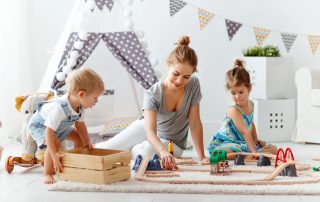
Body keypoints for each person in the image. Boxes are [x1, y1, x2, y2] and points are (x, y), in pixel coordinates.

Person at [95, 36, 208, 169]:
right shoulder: (153, 93)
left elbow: (195, 123)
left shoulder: (193, 85)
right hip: (147, 128)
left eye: (186, 77)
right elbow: (150, 130)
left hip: (172, 141)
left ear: (193, 73)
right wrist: (162, 151)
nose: (179, 81)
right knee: (105, 149)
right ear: (168, 65)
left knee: (146, 152)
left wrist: (202, 156)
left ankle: (132, 149)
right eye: (175, 74)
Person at [29, 67, 105, 184]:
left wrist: (87, 141)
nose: (97, 101)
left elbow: (80, 125)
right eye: (95, 97)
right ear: (82, 94)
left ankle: (73, 164)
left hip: (59, 127)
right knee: (54, 143)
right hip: (41, 126)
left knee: (79, 138)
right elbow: (49, 132)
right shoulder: (59, 108)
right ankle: (47, 173)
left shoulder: (80, 107)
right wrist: (54, 155)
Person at [207, 59, 278, 158]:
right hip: (227, 142)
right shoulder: (233, 111)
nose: (237, 96)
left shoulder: (251, 105)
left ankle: (247, 155)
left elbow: (251, 125)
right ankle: (249, 155)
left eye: (240, 92)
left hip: (243, 142)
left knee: (274, 149)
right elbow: (245, 131)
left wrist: (255, 140)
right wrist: (255, 153)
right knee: (227, 151)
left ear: (249, 88)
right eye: (233, 93)